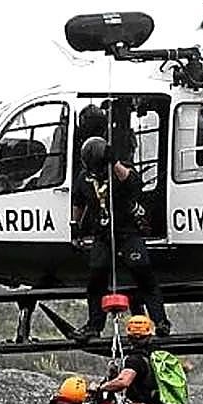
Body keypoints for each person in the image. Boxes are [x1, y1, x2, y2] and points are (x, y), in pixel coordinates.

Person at [71, 136, 171, 339]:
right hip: (103, 235)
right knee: (96, 282)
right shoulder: (84, 178)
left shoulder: (119, 171)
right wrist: (75, 227)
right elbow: (78, 203)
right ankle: (94, 326)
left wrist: (112, 161)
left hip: (128, 234)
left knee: (145, 277)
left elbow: (133, 182)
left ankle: (160, 321)